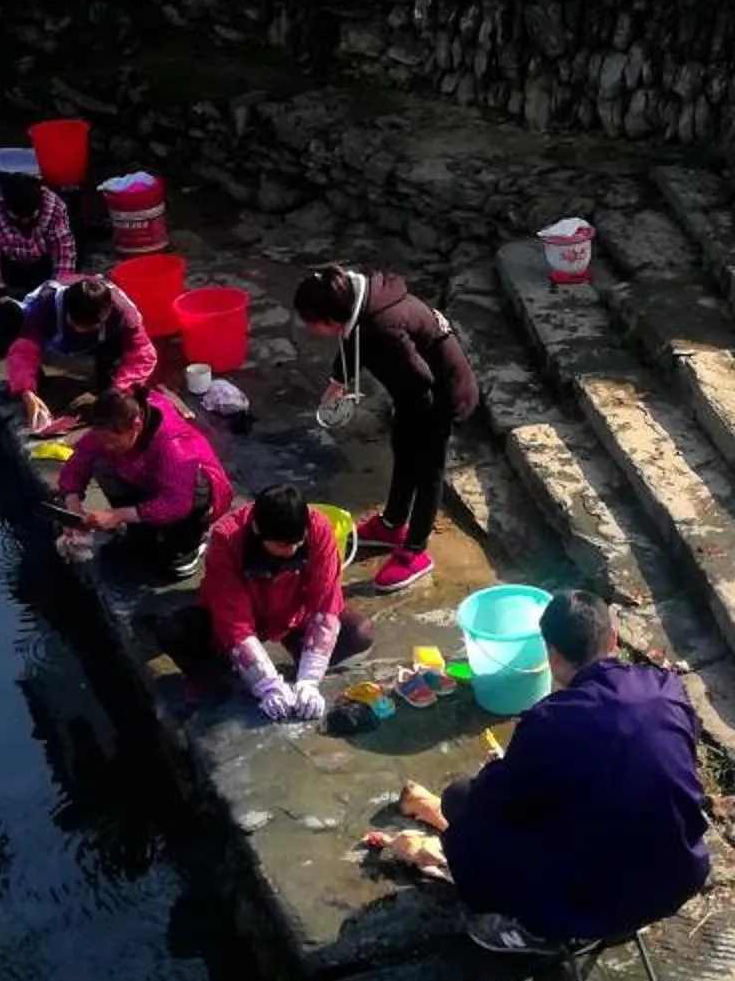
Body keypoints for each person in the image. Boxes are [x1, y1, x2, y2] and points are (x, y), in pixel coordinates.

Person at [402, 589, 711, 956]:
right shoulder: (666, 689)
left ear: (551, 654)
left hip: (599, 900)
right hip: (677, 875)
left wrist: (492, 775)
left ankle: (544, 931)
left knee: (461, 800)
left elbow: (498, 798)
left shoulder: (551, 720)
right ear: (612, 639)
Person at [293, 262, 478, 593]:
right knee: (403, 451)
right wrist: (339, 380)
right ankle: (392, 524)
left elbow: (421, 378)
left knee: (427, 470)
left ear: (331, 319)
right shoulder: (361, 301)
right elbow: (352, 336)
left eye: (312, 324)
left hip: (441, 397)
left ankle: (415, 551)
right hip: (415, 395)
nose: (311, 330)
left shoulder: (383, 328)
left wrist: (417, 424)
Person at [203, 481, 373, 721]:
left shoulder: (319, 528)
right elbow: (233, 619)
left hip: (294, 615)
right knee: (184, 634)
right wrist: (266, 684)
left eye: (297, 542)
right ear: (257, 529)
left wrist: (309, 680)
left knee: (359, 631)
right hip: (252, 615)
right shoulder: (226, 538)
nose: (291, 550)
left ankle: (299, 663)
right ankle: (230, 675)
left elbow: (325, 603)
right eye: (281, 545)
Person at [53, 385, 233, 582]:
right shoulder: (114, 424)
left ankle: (189, 543)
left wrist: (117, 515)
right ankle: (140, 532)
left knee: (173, 561)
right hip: (147, 480)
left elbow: (176, 503)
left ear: (136, 426)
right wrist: (73, 509)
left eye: (113, 440)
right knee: (101, 464)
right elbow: (80, 459)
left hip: (192, 492)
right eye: (102, 439)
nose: (107, 445)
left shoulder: (174, 445)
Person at [5, 273, 157, 433]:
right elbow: (24, 351)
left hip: (100, 344)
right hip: (54, 338)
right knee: (11, 321)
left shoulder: (123, 312)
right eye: (75, 323)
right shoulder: (45, 303)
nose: (80, 329)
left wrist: (118, 391)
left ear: (106, 316)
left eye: (89, 326)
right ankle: (36, 386)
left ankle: (106, 382)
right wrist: (26, 392)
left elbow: (142, 354)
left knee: (112, 389)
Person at [0, 168, 76, 300]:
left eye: (31, 217)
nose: (25, 222)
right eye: (18, 218)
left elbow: (63, 251)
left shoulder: (54, 206)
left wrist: (58, 290)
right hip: (9, 261)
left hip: (43, 260)